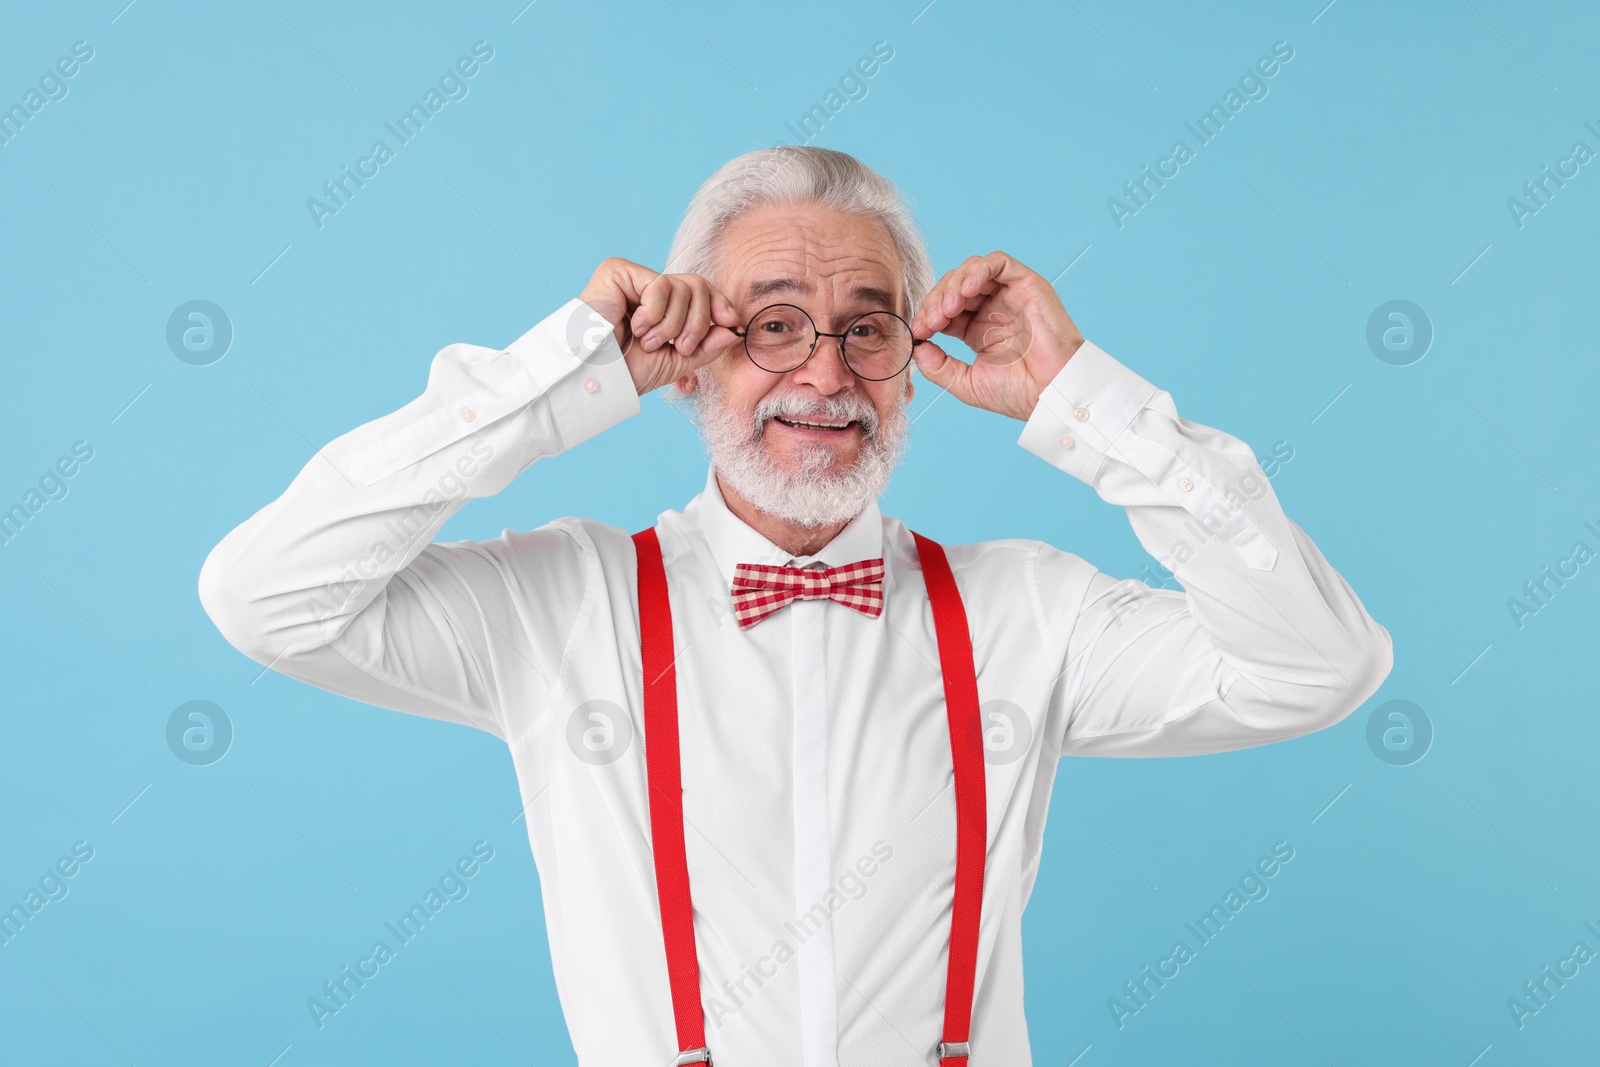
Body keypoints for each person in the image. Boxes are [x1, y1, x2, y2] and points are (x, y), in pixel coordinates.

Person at [198, 145, 1392, 1066]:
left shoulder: (1029, 608)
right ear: (692, 350)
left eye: (863, 327)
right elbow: (266, 596)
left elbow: (1319, 663)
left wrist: (1086, 403)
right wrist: (562, 375)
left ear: (914, 354)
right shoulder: (559, 605)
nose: (824, 374)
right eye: (773, 325)